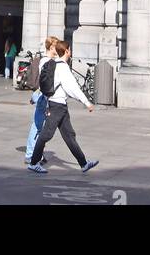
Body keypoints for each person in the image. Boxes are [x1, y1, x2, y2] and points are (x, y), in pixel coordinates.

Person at [27, 41, 99, 175]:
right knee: (46, 134)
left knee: (69, 135)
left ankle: (83, 163)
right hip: (56, 106)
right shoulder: (63, 67)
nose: (70, 51)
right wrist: (86, 102)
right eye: (69, 49)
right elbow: (72, 88)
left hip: (59, 105)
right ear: (66, 51)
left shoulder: (52, 64)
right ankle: (33, 163)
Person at [24, 36, 58, 165]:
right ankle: (30, 154)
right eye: (56, 46)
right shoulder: (46, 61)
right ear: (51, 47)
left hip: (41, 95)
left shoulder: (49, 60)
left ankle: (37, 153)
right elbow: (45, 82)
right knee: (38, 126)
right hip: (42, 95)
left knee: (41, 127)